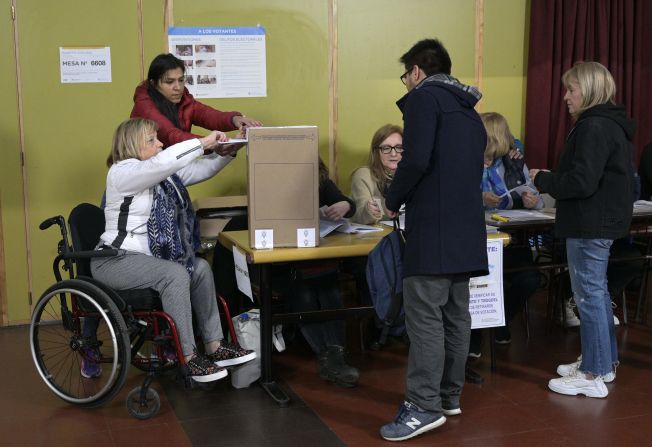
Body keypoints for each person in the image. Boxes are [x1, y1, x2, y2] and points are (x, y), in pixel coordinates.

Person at [89, 118, 256, 383]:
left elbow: (199, 171)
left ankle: (216, 345)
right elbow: (165, 162)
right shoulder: (122, 173)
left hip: (148, 260)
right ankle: (188, 358)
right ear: (133, 144)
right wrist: (203, 143)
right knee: (176, 274)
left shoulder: (159, 176)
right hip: (114, 260)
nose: (160, 143)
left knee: (199, 268)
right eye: (152, 140)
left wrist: (229, 150)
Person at [379, 38, 488, 442]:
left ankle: (422, 407)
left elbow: (417, 159)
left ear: (418, 72)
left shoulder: (426, 99)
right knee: (457, 316)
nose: (406, 83)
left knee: (425, 318)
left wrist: (393, 199)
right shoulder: (469, 111)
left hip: (434, 231)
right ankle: (448, 396)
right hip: (466, 230)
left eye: (405, 75)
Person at [529, 61, 635, 398]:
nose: (565, 97)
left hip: (589, 224)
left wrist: (544, 179)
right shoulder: (609, 124)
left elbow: (581, 181)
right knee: (598, 295)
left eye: (571, 89)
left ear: (588, 90)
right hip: (599, 222)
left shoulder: (593, 127)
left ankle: (591, 375)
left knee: (589, 297)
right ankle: (602, 363)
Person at [468, 112, 543, 356]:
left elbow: (537, 198)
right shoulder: (463, 160)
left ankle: (501, 319)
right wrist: (480, 198)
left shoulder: (514, 162)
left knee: (530, 279)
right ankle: (474, 336)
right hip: (476, 240)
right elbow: (451, 199)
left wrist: (533, 201)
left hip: (511, 239)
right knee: (477, 283)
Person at [283, 158, 360, 387]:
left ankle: (333, 357)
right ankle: (328, 357)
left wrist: (345, 206)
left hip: (317, 258)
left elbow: (347, 204)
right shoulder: (274, 181)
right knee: (305, 295)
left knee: (330, 292)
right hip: (286, 262)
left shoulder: (322, 182)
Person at [130, 53, 262, 149]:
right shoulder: (145, 105)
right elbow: (172, 136)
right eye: (169, 82)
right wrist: (210, 143)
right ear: (153, 84)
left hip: (169, 166)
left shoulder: (184, 99)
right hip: (141, 173)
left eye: (181, 80)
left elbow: (208, 115)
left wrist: (235, 119)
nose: (178, 87)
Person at [350, 124, 403, 224]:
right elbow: (359, 217)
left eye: (399, 147)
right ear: (376, 152)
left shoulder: (415, 176)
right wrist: (369, 210)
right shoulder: (364, 175)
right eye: (386, 148)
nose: (393, 154)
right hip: (375, 237)